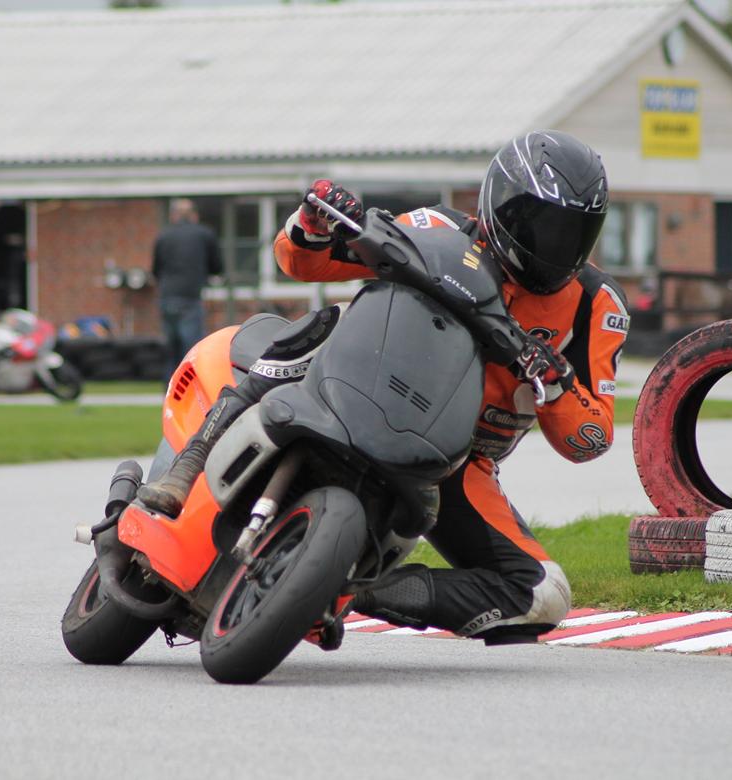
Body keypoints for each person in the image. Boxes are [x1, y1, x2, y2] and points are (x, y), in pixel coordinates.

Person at [138, 131, 629, 643]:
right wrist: (313, 223)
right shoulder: (437, 229)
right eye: (544, 225)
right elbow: (301, 261)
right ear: (502, 203)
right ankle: (191, 460)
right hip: (354, 376)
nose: (557, 246)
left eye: (575, 231)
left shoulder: (597, 304)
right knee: (324, 324)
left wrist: (555, 380)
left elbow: (588, 438)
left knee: (546, 593)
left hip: (457, 460)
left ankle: (351, 590)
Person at [152, 199, 222, 381]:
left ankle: (169, 390)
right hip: (191, 297)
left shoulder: (163, 236)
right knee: (191, 350)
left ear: (173, 216)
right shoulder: (204, 234)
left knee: (171, 350)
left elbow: (155, 270)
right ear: (194, 215)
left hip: (167, 297)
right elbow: (217, 267)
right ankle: (190, 391)